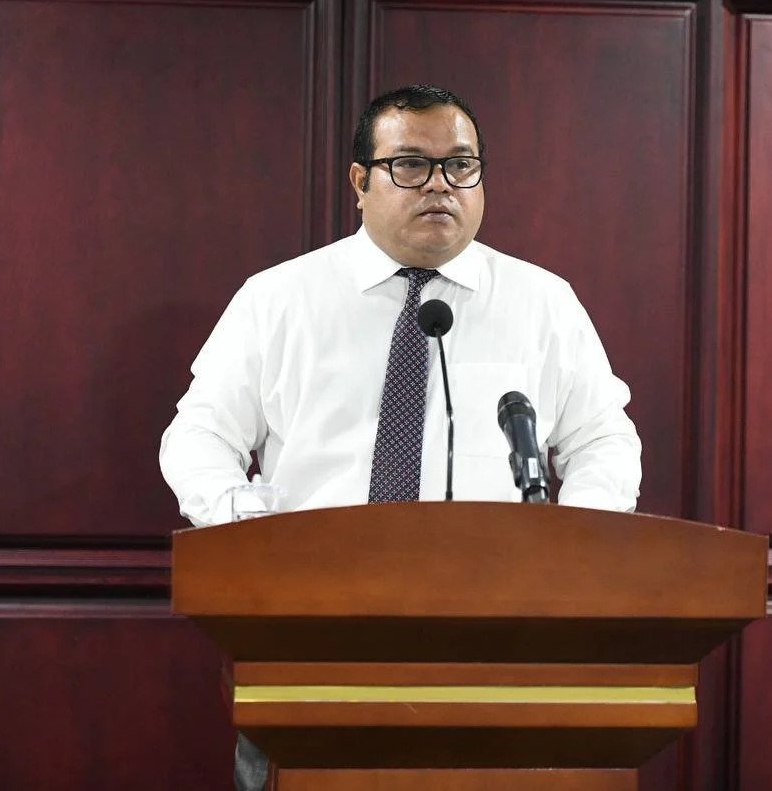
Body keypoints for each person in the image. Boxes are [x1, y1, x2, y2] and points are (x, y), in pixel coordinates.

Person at [159, 84, 642, 790]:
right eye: (411, 164)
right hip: (313, 625)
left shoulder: (541, 302)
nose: (440, 185)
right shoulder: (279, 299)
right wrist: (255, 530)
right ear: (360, 181)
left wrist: (568, 546)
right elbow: (198, 436)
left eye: (461, 165)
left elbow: (604, 439)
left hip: (498, 630)